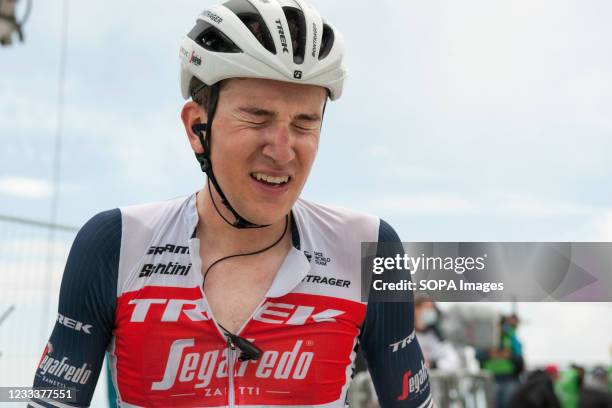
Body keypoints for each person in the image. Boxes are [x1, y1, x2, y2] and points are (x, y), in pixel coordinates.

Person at [30, 1, 433, 407]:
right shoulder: (113, 244)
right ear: (196, 128)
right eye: (257, 117)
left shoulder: (371, 248)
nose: (282, 150)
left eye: (304, 123)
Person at [476, 314, 524, 408]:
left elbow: (520, 359)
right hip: (490, 379)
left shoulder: (511, 338)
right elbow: (478, 355)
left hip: (509, 379)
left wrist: (509, 356)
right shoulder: (486, 338)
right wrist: (489, 354)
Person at [414, 297, 461, 371]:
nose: (430, 311)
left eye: (432, 308)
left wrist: (434, 364)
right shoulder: (407, 336)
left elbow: (453, 361)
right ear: (416, 309)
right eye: (427, 307)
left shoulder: (436, 335)